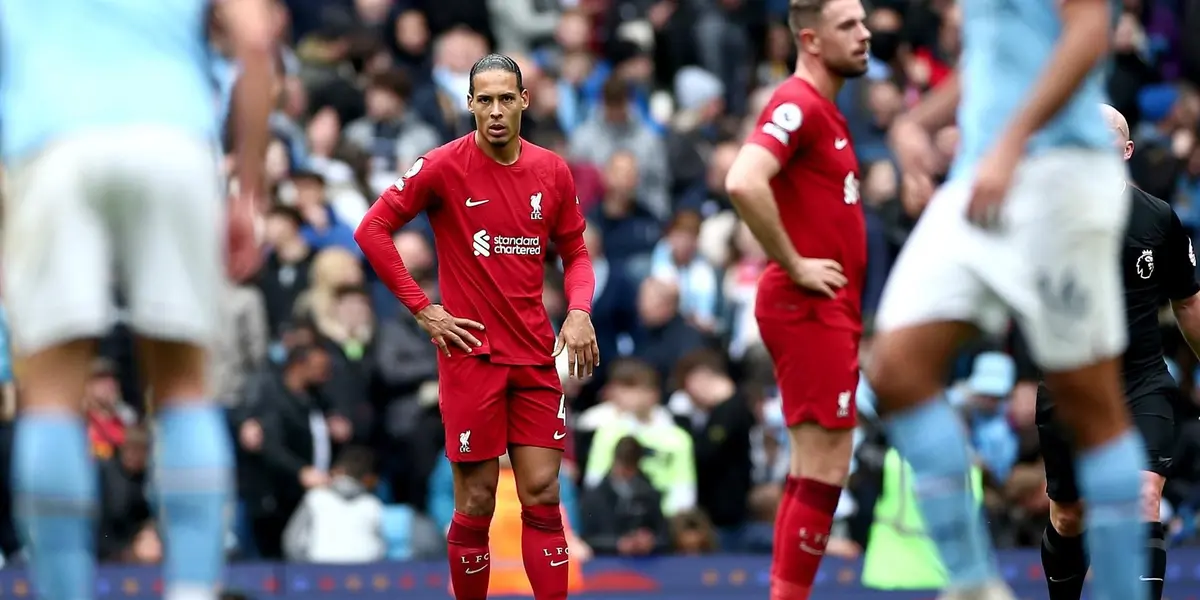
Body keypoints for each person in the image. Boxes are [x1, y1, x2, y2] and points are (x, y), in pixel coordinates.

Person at [0, 1, 274, 599]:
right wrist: (246, 191)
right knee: (181, 383)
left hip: (50, 143)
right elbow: (256, 40)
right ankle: (193, 588)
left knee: (49, 397)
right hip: (172, 142)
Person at [867, 0, 1142, 593]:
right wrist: (916, 120)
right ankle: (972, 585)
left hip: (1059, 178)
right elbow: (1002, 57)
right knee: (894, 367)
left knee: (1088, 405)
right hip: (979, 176)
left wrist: (1011, 141)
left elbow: (1088, 34)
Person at [354, 54, 598, 600]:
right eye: (483, 100)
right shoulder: (443, 165)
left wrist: (579, 311)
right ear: (469, 104)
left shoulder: (552, 171)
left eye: (505, 98)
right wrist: (424, 309)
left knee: (542, 491)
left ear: (524, 102)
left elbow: (576, 253)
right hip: (471, 356)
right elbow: (372, 229)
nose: (494, 110)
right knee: (477, 500)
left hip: (535, 353)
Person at [722, 0, 870, 596]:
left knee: (814, 465)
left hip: (826, 308)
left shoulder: (824, 108)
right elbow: (742, 178)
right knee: (827, 464)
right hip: (807, 305)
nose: (863, 35)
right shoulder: (797, 103)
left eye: (862, 22)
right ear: (810, 39)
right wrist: (794, 262)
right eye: (847, 26)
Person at [1036, 105, 1200, 600]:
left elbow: (1188, 302)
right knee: (1069, 515)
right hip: (1072, 382)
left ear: (1126, 150)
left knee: (1144, 495)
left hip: (1142, 379)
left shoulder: (1158, 218)